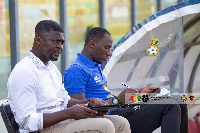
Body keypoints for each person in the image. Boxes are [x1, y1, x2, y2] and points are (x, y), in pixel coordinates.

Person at [7, 20, 131, 133]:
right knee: (105, 125)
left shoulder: (51, 69)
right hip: (42, 129)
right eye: (55, 42)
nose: (60, 47)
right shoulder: (24, 72)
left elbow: (65, 101)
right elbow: (26, 121)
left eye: (62, 43)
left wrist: (89, 102)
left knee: (121, 122)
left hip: (64, 121)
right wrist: (68, 114)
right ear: (38, 39)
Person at [64, 27, 188, 133]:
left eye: (110, 48)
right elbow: (80, 111)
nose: (109, 53)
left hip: (119, 110)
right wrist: (117, 100)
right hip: (110, 119)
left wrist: (137, 95)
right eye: (106, 47)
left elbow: (107, 100)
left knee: (179, 101)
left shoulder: (94, 65)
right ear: (92, 44)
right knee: (170, 106)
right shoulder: (77, 70)